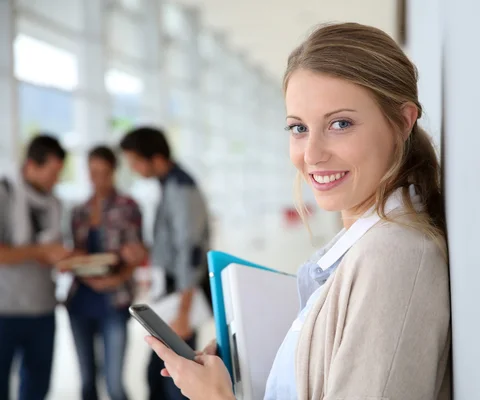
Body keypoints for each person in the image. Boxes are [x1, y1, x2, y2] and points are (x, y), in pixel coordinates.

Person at [145, 22, 452, 400]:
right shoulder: (362, 245)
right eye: (298, 128)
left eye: (340, 124)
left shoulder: (394, 256)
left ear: (403, 122)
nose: (312, 154)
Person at [119, 127, 212, 400]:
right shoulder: (168, 184)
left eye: (136, 161)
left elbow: (190, 251)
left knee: (173, 379)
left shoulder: (181, 190)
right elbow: (174, 243)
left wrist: (183, 312)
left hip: (180, 298)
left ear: (156, 158)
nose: (133, 168)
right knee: (159, 376)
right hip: (172, 295)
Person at [66, 146, 143, 400]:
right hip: (81, 301)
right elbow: (75, 255)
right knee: (87, 381)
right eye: (93, 172)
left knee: (114, 383)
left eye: (104, 172)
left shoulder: (128, 206)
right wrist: (86, 275)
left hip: (115, 300)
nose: (98, 179)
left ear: (114, 172)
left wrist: (117, 278)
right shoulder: (79, 210)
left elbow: (137, 253)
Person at [0, 134, 72, 400]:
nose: (56, 179)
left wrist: (64, 259)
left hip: (43, 308)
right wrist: (41, 251)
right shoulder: (4, 194)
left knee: (37, 387)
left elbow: (49, 251)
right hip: (5, 310)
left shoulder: (55, 203)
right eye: (52, 172)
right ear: (31, 164)